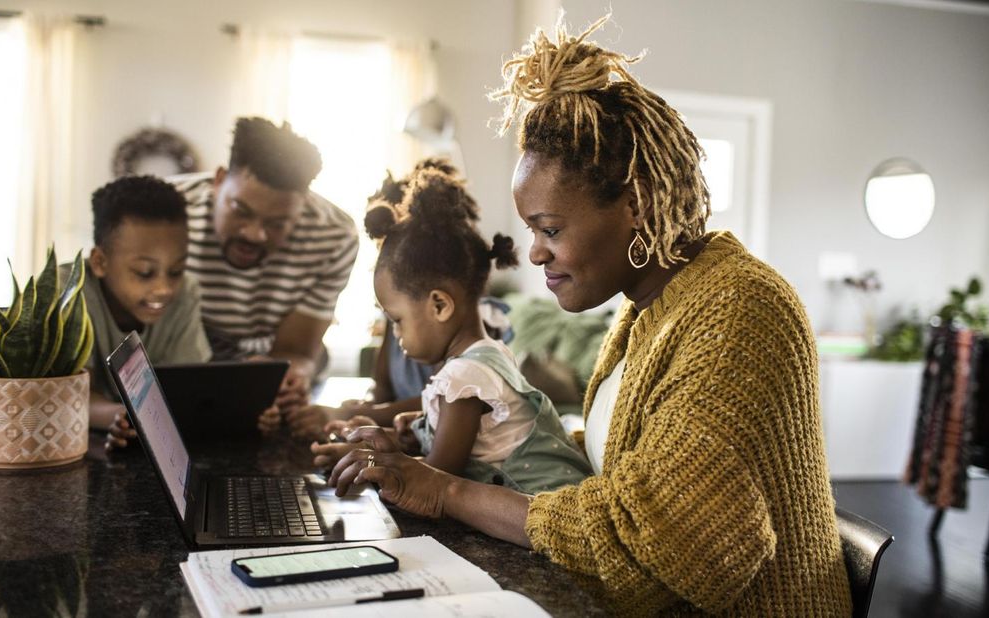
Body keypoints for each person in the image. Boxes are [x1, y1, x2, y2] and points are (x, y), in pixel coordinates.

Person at [326, 16, 852, 616]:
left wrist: (445, 490)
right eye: (532, 230)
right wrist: (479, 441)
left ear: (636, 203)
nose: (534, 253)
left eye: (550, 229)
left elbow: (670, 538)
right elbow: (622, 463)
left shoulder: (739, 310)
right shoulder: (646, 311)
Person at [317, 168, 590, 494]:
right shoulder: (486, 356)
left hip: (544, 515)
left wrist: (369, 461)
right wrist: (411, 430)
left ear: (439, 306)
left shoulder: (464, 377)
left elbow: (435, 479)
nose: (395, 334)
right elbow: (481, 442)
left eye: (397, 320)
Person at [171, 118, 359, 434]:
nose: (255, 235)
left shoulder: (334, 235)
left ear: (302, 206)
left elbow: (298, 350)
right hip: (182, 358)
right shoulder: (168, 212)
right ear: (218, 181)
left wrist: (285, 376)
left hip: (269, 360)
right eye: (241, 211)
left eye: (277, 224)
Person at [302, 160, 514, 438]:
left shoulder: (475, 334)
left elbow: (449, 402)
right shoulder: (401, 317)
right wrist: (364, 414)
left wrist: (354, 416)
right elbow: (383, 390)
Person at [69, 175, 211, 450]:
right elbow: (68, 396)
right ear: (99, 261)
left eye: (176, 271)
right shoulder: (70, 293)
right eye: (144, 273)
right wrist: (122, 417)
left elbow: (187, 390)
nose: (164, 289)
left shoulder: (186, 293)